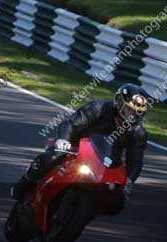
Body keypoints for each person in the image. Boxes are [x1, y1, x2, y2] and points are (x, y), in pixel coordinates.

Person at [10, 83, 149, 201]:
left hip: (103, 164)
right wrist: (63, 140)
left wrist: (129, 180)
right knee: (54, 156)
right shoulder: (97, 108)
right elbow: (70, 123)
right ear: (118, 103)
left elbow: (135, 161)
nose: (130, 115)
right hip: (74, 148)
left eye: (135, 112)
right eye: (127, 109)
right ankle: (24, 182)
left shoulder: (138, 133)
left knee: (118, 199)